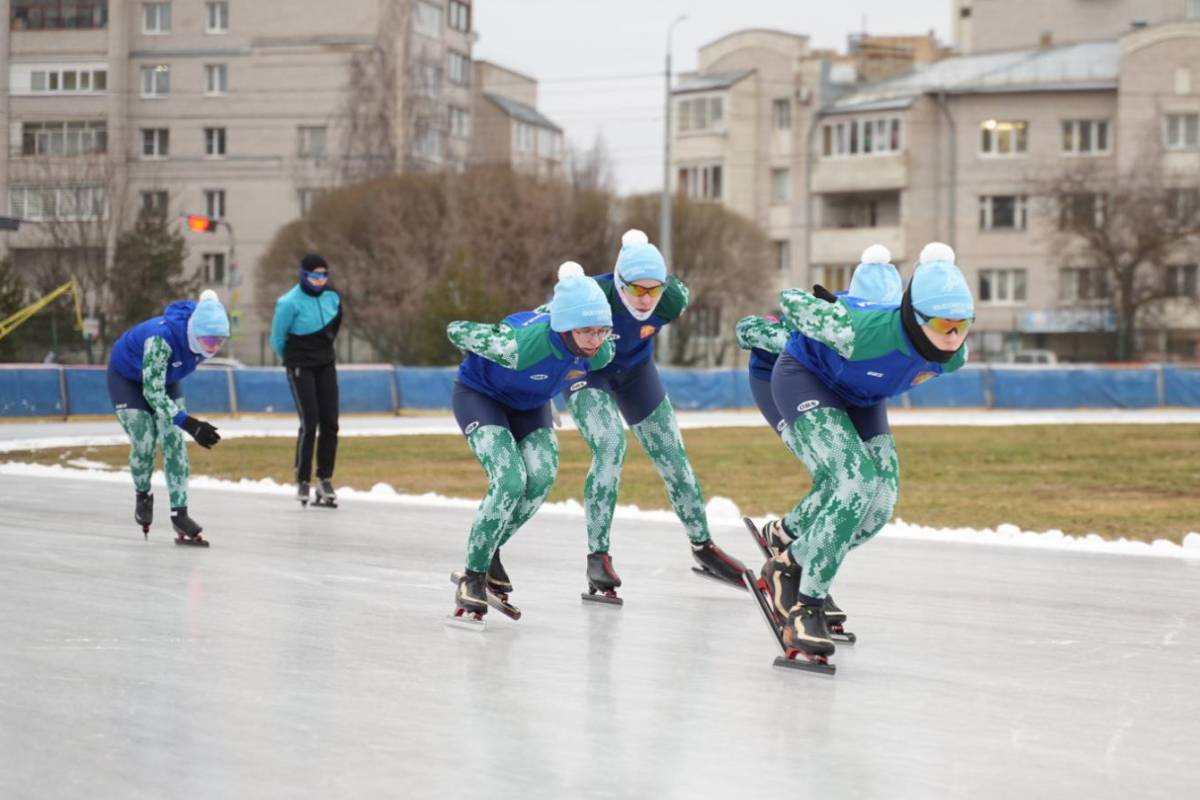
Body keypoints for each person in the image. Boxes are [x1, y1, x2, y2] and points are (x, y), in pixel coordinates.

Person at [757, 242, 972, 662]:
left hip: (862, 397)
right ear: (914, 317)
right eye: (945, 324)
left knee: (881, 504)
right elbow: (790, 301)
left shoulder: (954, 356)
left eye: (964, 325)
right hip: (806, 378)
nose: (953, 336)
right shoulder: (859, 328)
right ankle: (806, 606)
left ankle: (790, 562)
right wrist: (829, 305)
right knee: (855, 480)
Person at [564, 230, 745, 600]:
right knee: (611, 446)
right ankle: (598, 557)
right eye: (636, 290)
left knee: (675, 460)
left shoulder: (672, 300)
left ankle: (703, 546)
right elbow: (545, 329)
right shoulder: (592, 297)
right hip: (586, 373)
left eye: (654, 289)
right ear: (619, 281)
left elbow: (661, 296)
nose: (646, 300)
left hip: (635, 373)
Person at [735, 245, 903, 638]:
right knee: (840, 478)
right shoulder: (828, 320)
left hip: (853, 393)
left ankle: (794, 543)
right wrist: (788, 336)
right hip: (785, 382)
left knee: (874, 495)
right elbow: (747, 328)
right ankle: (792, 565)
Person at [447, 262, 615, 624]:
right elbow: (456, 329)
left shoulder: (599, 351)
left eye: (602, 330)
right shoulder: (518, 345)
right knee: (509, 480)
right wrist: (482, 349)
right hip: (482, 396)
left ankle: (490, 550)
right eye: (586, 331)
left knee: (541, 477)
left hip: (530, 406)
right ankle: (472, 577)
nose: (594, 340)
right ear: (564, 326)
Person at [107, 290, 230, 545]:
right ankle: (143, 493)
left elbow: (162, 388)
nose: (214, 347)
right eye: (209, 339)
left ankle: (180, 513)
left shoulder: (201, 336)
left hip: (165, 379)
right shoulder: (162, 340)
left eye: (220, 340)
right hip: (127, 378)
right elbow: (152, 391)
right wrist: (191, 423)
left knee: (174, 440)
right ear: (195, 331)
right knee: (144, 439)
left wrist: (183, 425)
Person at [271, 253, 343, 508]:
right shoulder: (289, 302)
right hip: (300, 364)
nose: (320, 280)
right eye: (315, 275)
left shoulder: (333, 297)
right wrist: (292, 360)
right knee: (310, 422)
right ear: (304, 275)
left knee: (331, 423)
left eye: (324, 275)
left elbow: (334, 328)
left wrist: (323, 352)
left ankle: (324, 478)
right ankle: (302, 479)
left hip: (325, 363)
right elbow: (278, 338)